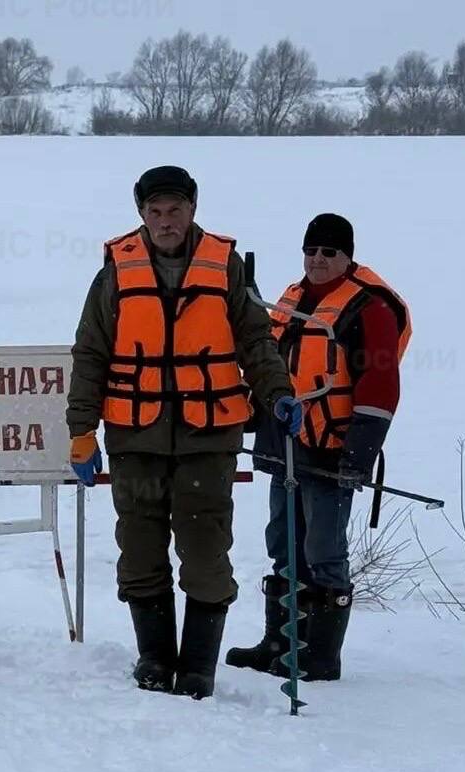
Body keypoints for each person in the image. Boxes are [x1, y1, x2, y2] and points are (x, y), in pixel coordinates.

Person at [66, 165, 298, 699]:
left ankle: (197, 667)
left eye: (175, 210)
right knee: (139, 550)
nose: (165, 221)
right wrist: (82, 430)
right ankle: (154, 658)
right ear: (141, 214)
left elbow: (256, 341)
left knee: (205, 551)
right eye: (155, 212)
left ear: (193, 209)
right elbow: (91, 353)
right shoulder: (116, 271)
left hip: (207, 437)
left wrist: (278, 393)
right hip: (134, 436)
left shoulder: (225, 266)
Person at [227, 213, 410, 681]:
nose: (318, 260)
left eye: (329, 252)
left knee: (323, 550)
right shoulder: (292, 300)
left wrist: (358, 455)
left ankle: (321, 656)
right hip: (285, 446)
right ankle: (281, 642)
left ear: (348, 257)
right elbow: (267, 361)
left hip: (333, 451)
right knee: (283, 544)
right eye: (311, 251)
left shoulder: (369, 308)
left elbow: (380, 384)